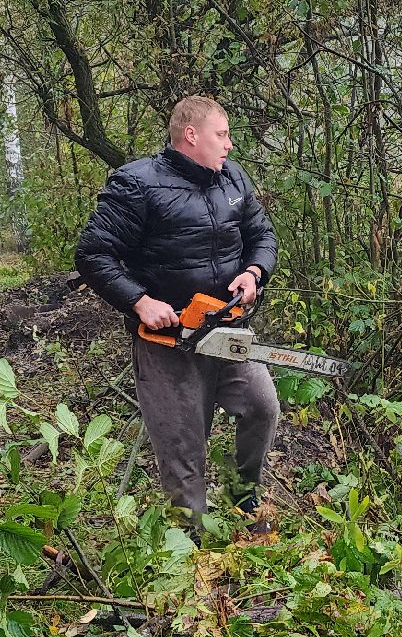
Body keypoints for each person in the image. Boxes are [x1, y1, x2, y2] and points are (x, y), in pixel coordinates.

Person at [76, 95, 281, 532]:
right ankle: (191, 542)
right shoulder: (137, 184)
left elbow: (261, 233)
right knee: (183, 443)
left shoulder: (232, 179)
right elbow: (94, 254)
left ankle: (244, 497)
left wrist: (254, 271)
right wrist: (139, 301)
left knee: (262, 406)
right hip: (169, 340)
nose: (228, 144)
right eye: (221, 135)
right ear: (192, 135)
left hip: (228, 328)